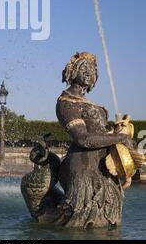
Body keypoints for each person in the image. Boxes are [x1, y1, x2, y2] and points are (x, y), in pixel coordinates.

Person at [55, 51, 133, 228]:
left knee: (108, 223)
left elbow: (100, 132)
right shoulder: (66, 102)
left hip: (103, 167)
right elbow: (83, 139)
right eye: (84, 67)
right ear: (72, 72)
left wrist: (116, 132)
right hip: (83, 169)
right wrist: (118, 137)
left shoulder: (90, 103)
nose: (90, 72)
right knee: (83, 224)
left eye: (92, 69)